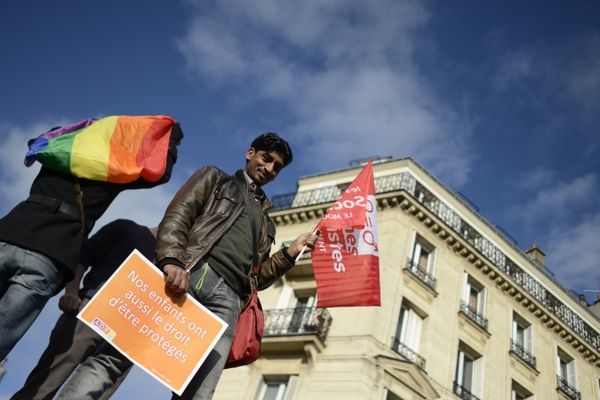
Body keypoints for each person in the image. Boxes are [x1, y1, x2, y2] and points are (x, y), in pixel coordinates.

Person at [56, 132, 317, 400]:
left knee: (201, 391)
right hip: (187, 274)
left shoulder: (267, 224)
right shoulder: (215, 179)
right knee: (116, 356)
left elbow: (257, 278)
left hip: (227, 302)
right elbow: (179, 215)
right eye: (267, 158)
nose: (270, 169)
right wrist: (171, 261)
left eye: (277, 167)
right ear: (251, 153)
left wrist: (289, 253)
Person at [0, 124, 183, 360]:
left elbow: (40, 140)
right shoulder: (115, 170)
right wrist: (168, 137)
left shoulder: (58, 153)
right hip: (48, 253)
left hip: (9, 232)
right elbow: (159, 172)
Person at [11, 219, 156, 400]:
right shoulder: (127, 229)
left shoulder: (176, 268)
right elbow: (83, 256)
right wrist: (71, 292)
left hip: (127, 336)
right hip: (89, 312)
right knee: (43, 385)